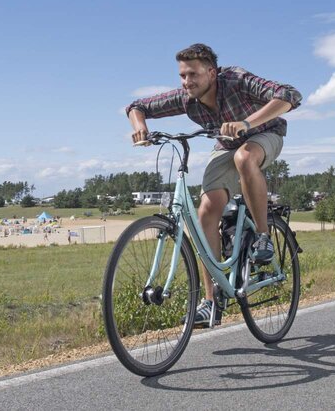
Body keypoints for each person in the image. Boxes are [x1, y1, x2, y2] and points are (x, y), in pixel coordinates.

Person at [126, 43, 302, 326]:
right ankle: (211, 302)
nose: (187, 82)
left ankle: (261, 235)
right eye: (183, 75)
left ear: (211, 72)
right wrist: (140, 127)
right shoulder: (187, 98)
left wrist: (246, 122)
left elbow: (290, 95)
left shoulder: (235, 80)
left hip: (266, 134)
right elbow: (136, 106)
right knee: (206, 212)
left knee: (245, 158)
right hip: (226, 144)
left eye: (193, 74)